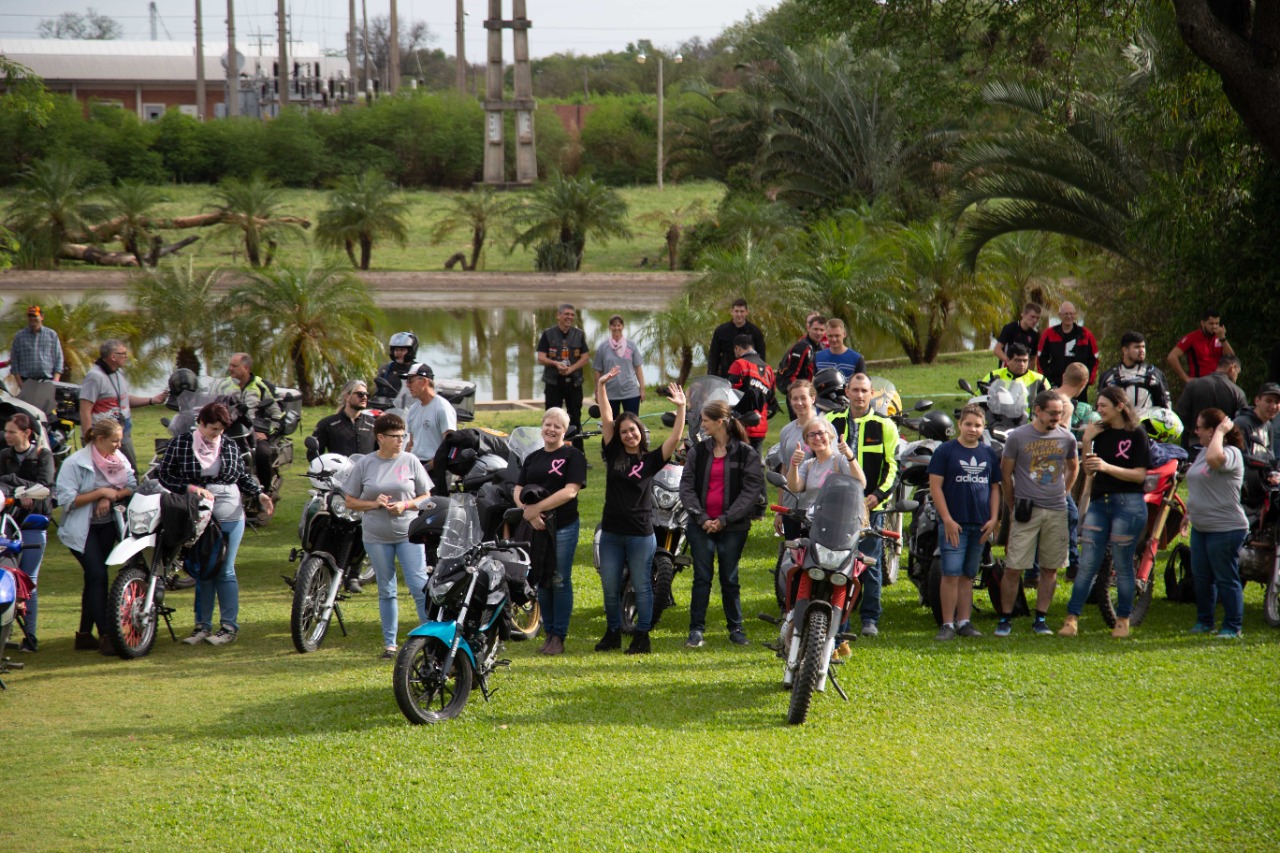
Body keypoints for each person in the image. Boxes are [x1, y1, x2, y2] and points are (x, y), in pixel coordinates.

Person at [158, 401, 274, 646]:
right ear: (200, 423)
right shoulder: (181, 443)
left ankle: (228, 627)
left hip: (230, 513)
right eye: (212, 429)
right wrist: (190, 488)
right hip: (198, 514)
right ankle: (202, 625)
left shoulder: (230, 445)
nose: (216, 435)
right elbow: (165, 474)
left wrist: (260, 494)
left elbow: (242, 476)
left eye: (220, 431)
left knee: (225, 569)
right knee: (204, 569)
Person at [593, 368, 686, 655]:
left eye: (632, 430)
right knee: (610, 586)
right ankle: (612, 633)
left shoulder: (650, 460)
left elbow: (674, 438)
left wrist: (681, 408)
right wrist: (601, 385)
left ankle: (642, 636)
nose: (629, 434)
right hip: (611, 532)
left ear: (640, 433)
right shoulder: (613, 453)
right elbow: (608, 416)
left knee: (643, 585)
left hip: (640, 534)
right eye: (624, 432)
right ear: (618, 437)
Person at [1059, 387, 1151, 638]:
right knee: (1087, 563)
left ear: (1120, 406)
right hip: (1100, 503)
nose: (1098, 410)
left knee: (1122, 563)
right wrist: (1087, 441)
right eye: (1098, 406)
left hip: (1129, 504)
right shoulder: (1100, 433)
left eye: (1103, 406)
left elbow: (1140, 475)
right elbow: (1089, 471)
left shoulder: (1137, 435)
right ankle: (1071, 619)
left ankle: (1122, 620)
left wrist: (1107, 467)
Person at [341, 413, 433, 659]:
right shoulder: (365, 464)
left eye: (403, 435)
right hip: (376, 537)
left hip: (409, 535)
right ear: (380, 437)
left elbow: (426, 496)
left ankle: (431, 638)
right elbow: (350, 501)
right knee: (387, 589)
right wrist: (374, 503)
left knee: (418, 585)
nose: (401, 440)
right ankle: (390, 644)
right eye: (395, 436)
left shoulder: (411, 461)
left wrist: (406, 505)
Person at [679, 399, 763, 649]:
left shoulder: (746, 453)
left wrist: (724, 519)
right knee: (702, 577)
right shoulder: (698, 451)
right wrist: (703, 518)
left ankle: (736, 629)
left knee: (730, 577)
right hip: (700, 524)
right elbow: (686, 487)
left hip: (733, 527)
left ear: (719, 422)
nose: (701, 425)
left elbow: (750, 492)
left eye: (705, 420)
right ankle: (696, 630)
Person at [997, 391, 1078, 636]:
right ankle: (1005, 618)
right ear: (1038, 411)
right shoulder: (1018, 437)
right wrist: (1012, 503)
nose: (1057, 417)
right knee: (1013, 567)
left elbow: (1073, 466)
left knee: (1050, 567)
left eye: (1060, 413)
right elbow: (1005, 473)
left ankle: (1040, 619)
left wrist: (1065, 492)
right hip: (1025, 510)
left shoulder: (1067, 438)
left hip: (1056, 510)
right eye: (1052, 413)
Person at [55, 419, 137, 655]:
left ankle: (83, 635)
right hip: (82, 529)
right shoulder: (74, 463)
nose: (119, 446)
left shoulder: (118, 460)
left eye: (120, 440)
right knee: (98, 577)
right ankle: (106, 635)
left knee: (94, 579)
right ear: (99, 439)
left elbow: (131, 484)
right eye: (114, 441)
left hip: (108, 525)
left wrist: (111, 496)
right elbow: (67, 501)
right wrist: (100, 492)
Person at [827, 373, 900, 637]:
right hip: (838, 507)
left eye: (864, 391)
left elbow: (893, 467)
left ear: (871, 394)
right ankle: (836, 614)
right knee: (837, 562)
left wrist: (878, 496)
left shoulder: (885, 425)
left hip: (871, 509)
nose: (859, 395)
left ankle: (870, 617)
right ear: (847, 391)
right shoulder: (831, 422)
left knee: (869, 564)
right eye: (855, 390)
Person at [515, 407, 588, 656]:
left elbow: (570, 491)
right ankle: (548, 634)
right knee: (542, 581)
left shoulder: (573, 455)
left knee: (559, 578)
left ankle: (559, 636)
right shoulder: (533, 457)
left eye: (557, 426)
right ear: (541, 426)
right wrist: (528, 512)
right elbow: (518, 488)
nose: (551, 429)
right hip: (536, 527)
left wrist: (536, 510)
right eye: (548, 424)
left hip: (563, 526)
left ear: (564, 431)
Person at [928, 404, 1002, 641]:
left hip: (979, 525)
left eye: (978, 425)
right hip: (954, 524)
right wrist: (947, 519)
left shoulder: (988, 454)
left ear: (984, 428)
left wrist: (993, 519)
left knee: (968, 575)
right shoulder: (945, 452)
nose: (973, 429)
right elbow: (935, 487)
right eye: (968, 424)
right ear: (959, 425)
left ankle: (964, 622)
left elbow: (994, 489)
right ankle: (947, 624)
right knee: (950, 573)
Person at [1184, 408, 1249, 638]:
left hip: (1226, 528)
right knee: (1201, 578)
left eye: (1200, 427)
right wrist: (1188, 514)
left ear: (1212, 431)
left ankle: (1233, 626)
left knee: (1225, 577)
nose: (1196, 431)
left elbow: (1215, 460)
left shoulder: (1231, 453)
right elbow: (1197, 484)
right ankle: (1205, 621)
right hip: (1201, 527)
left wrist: (1222, 431)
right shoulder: (1203, 451)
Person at [0, 413, 54, 652]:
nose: (6, 435)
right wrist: (21, 490)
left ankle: (30, 636)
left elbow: (45, 490)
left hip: (33, 525)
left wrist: (15, 488)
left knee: (29, 580)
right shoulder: (4, 455)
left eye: (11, 431)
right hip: (8, 525)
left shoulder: (43, 456)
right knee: (7, 578)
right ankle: (6, 632)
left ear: (27, 433)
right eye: (6, 431)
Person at [79, 339, 167, 471]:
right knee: (112, 473)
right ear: (113, 356)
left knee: (129, 471)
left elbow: (123, 400)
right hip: (103, 436)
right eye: (123, 353)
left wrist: (152, 400)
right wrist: (89, 439)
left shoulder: (118, 373)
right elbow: (85, 410)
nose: (127, 357)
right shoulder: (95, 377)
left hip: (122, 432)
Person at [215, 352, 283, 492]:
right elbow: (210, 407)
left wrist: (267, 433)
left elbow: (278, 414)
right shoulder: (223, 385)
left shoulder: (262, 386)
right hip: (227, 432)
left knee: (263, 454)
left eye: (235, 366)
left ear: (246, 368)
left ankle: (265, 491)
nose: (230, 368)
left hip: (254, 433)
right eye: (230, 365)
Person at [536, 304, 590, 452]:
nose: (569, 317)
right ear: (558, 315)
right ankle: (550, 451)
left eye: (572, 315)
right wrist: (555, 364)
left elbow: (585, 358)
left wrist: (571, 369)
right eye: (566, 314)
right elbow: (540, 358)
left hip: (574, 383)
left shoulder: (579, 334)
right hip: (553, 383)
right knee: (551, 417)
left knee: (575, 418)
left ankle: (578, 453)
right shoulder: (548, 334)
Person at [403, 362, 457, 495]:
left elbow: (449, 445)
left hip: (437, 469)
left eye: (410, 380)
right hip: (417, 468)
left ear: (424, 381)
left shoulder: (442, 407)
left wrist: (427, 467)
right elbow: (411, 443)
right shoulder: (413, 409)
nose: (407, 385)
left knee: (436, 511)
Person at [1175, 355, 1246, 450]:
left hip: (1194, 444)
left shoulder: (1193, 385)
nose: (1236, 377)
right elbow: (1241, 423)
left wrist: (1195, 430)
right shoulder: (1237, 392)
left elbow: (1180, 415)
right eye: (1238, 372)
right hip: (1223, 448)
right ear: (1232, 368)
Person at [1097, 331, 1170, 415]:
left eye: (1143, 347)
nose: (1141, 350)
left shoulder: (1154, 374)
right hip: (1117, 426)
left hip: (1147, 425)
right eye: (1137, 347)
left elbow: (1165, 405)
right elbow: (1100, 407)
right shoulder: (1109, 376)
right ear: (1125, 350)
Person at [1036, 302, 1099, 400]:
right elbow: (1041, 358)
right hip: (1056, 384)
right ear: (1060, 315)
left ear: (1075, 314)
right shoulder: (1049, 333)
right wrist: (1047, 380)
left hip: (1079, 385)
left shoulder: (1085, 334)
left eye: (1071, 313)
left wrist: (1088, 380)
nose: (1069, 316)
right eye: (1066, 314)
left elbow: (1094, 358)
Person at [9, 305, 63, 415]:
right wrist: (20, 384)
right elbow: (15, 362)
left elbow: (59, 359)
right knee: (28, 415)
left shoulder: (51, 335)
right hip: (27, 382)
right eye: (30, 316)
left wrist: (55, 382)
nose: (32, 318)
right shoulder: (19, 336)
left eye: (35, 315)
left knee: (47, 415)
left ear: (41, 317)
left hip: (46, 382)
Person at [727, 334, 775, 452]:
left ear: (737, 348)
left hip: (740, 427)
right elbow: (772, 401)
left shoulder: (739, 364)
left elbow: (729, 394)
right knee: (755, 466)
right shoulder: (768, 370)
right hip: (760, 427)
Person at [591, 314, 646, 418]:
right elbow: (598, 370)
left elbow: (638, 367)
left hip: (630, 391)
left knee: (632, 421)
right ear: (610, 327)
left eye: (619, 325)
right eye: (614, 326)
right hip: (610, 392)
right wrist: (597, 390)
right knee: (612, 424)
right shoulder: (603, 347)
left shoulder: (631, 345)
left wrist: (642, 388)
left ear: (623, 327)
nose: (616, 328)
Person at [776, 313, 827, 419]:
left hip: (810, 395)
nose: (818, 333)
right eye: (815, 329)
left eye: (822, 330)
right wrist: (798, 395)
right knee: (801, 428)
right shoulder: (802, 347)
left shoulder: (821, 347)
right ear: (808, 328)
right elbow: (791, 375)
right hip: (798, 395)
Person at [309, 380, 376, 459]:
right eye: (360, 394)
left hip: (367, 471)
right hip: (340, 470)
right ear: (347, 396)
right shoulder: (328, 424)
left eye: (366, 394)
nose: (364, 397)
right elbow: (313, 456)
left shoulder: (374, 424)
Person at [1167, 309, 1234, 383]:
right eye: (1211, 324)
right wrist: (1185, 378)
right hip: (1200, 382)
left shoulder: (1219, 338)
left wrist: (1223, 339)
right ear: (1203, 323)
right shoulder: (1192, 338)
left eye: (1217, 323)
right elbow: (1172, 357)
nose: (1214, 326)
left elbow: (1231, 358)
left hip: (1218, 382)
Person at [979, 343, 1050, 409]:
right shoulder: (994, 376)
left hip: (1030, 421)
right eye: (1018, 360)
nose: (1022, 364)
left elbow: (1051, 403)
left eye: (1025, 361)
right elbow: (978, 399)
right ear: (1008, 360)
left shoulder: (1040, 380)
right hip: (998, 420)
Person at [708, 298, 766, 379]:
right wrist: (711, 375)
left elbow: (761, 356)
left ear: (747, 312)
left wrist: (761, 375)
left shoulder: (755, 332)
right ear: (731, 312)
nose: (739, 314)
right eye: (736, 311)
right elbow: (714, 355)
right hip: (726, 375)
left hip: (748, 376)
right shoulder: (721, 331)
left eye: (742, 311)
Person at [1233, 382, 1280, 462]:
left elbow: (1270, 457)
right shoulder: (1242, 423)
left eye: (1277, 402)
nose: (1273, 407)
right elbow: (1239, 460)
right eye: (1268, 401)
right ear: (1257, 401)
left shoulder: (1268, 425)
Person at [812, 318, 867, 384]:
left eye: (837, 335)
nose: (834, 339)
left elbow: (862, 384)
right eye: (830, 336)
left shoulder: (857, 359)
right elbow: (814, 382)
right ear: (826, 335)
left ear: (844, 334)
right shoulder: (818, 357)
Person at [375, 331, 419, 406]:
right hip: (386, 409)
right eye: (396, 350)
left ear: (411, 351)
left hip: (410, 409)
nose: (398, 353)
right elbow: (376, 392)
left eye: (402, 350)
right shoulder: (385, 369)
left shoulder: (419, 369)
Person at [994, 302, 1042, 367]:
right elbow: (997, 350)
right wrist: (1010, 362)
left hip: (1023, 371)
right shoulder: (1010, 328)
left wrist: (1028, 374)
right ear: (1023, 315)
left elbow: (1032, 358)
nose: (1035, 320)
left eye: (1037, 318)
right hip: (1006, 369)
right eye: (1032, 317)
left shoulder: (1034, 335)